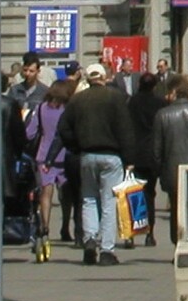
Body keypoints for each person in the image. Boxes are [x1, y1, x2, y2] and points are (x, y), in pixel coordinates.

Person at [57, 62, 137, 266]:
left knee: (89, 199)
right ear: (103, 78)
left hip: (87, 155)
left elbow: (63, 128)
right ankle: (107, 250)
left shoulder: (77, 99)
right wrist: (129, 159)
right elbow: (126, 130)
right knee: (109, 202)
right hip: (111, 156)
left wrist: (76, 146)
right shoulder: (116, 98)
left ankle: (90, 240)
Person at [152, 77, 188, 244]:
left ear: (173, 93)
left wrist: (159, 171)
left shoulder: (162, 114)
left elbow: (157, 149)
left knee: (175, 208)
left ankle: (178, 243)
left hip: (172, 171)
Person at [25, 79, 73, 252]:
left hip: (44, 155)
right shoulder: (68, 109)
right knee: (66, 194)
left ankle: (45, 226)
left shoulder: (40, 108)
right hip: (65, 154)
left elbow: (30, 133)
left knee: (46, 192)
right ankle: (65, 226)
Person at [127, 71, 165, 246]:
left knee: (133, 193)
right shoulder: (160, 103)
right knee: (150, 194)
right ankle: (150, 233)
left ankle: (131, 234)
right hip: (152, 153)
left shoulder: (132, 102)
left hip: (135, 153)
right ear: (154, 86)